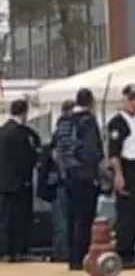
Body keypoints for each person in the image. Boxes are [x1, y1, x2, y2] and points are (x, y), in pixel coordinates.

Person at [54, 88, 103, 270]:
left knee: (71, 217)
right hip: (84, 176)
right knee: (85, 218)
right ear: (91, 102)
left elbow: (57, 146)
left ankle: (71, 256)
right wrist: (94, 175)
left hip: (67, 174)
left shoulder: (64, 121)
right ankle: (81, 256)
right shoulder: (87, 121)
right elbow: (91, 151)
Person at [106, 84, 135, 268]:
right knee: (126, 215)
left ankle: (129, 252)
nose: (134, 103)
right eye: (131, 99)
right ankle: (123, 253)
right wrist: (118, 175)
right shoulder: (118, 122)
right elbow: (114, 153)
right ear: (123, 99)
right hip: (127, 170)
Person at [0, 99, 41, 262]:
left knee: (5, 219)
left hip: (3, 183)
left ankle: (4, 251)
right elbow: (26, 158)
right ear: (25, 112)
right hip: (20, 183)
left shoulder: (2, 131)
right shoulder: (23, 134)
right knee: (20, 218)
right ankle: (19, 250)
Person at [50, 100, 75, 263]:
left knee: (61, 221)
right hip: (65, 180)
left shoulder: (58, 130)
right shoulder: (68, 129)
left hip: (59, 181)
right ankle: (63, 253)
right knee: (65, 221)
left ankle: (61, 253)